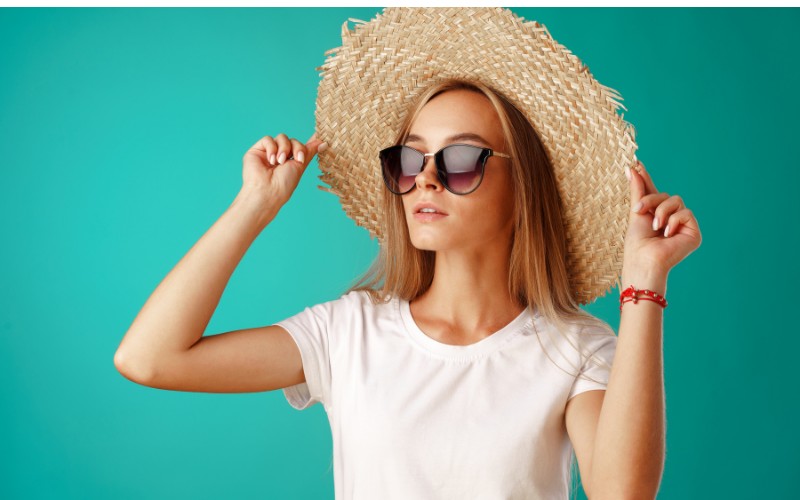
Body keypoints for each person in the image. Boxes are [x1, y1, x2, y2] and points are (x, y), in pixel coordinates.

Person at [115, 7, 702, 500]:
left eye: (462, 160)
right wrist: (255, 205)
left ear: (524, 189)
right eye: (410, 158)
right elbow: (149, 358)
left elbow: (623, 494)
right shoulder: (348, 332)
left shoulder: (576, 347)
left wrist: (644, 284)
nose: (425, 179)